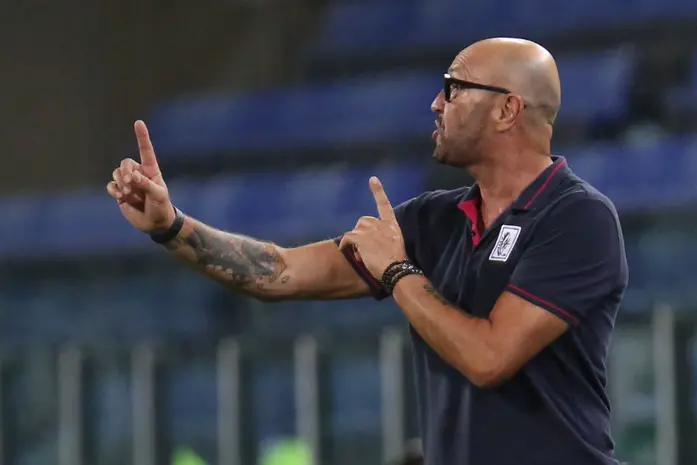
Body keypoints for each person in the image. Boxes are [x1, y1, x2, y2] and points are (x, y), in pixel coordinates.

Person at [107, 38, 628, 465]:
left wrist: (399, 272)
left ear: (507, 109)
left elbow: (489, 358)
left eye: (454, 87)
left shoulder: (576, 217)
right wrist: (171, 226)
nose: (436, 103)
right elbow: (280, 272)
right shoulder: (433, 220)